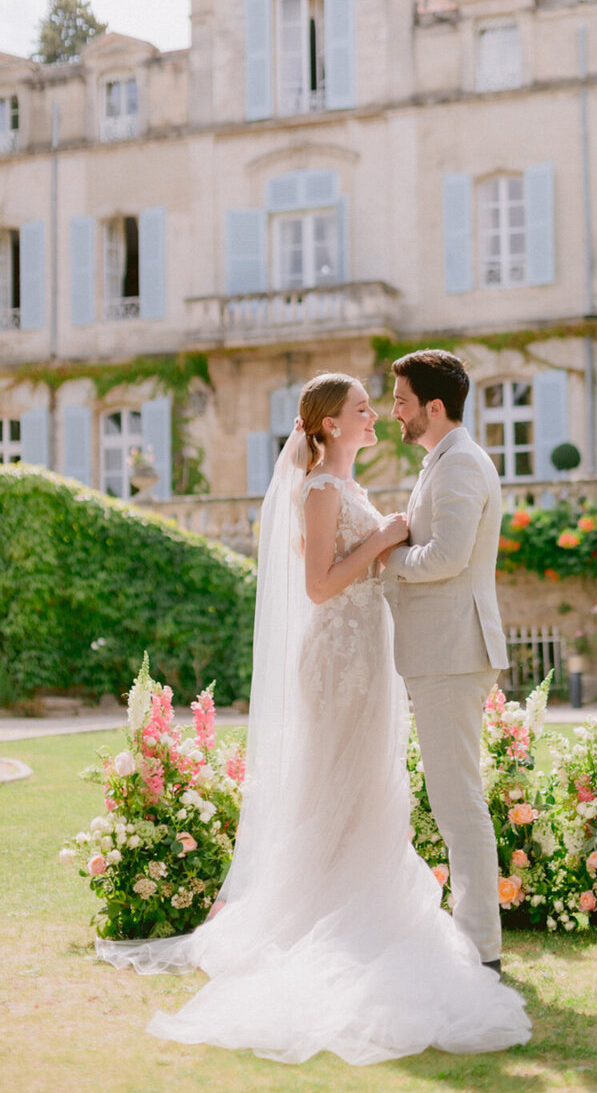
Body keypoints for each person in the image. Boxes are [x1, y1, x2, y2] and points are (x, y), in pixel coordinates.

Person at [95, 372, 531, 1064]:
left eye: (385, 403)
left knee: (366, 786)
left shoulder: (355, 487)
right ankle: (324, 912)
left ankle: (358, 901)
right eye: (364, 408)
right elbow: (321, 584)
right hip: (338, 658)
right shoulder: (323, 489)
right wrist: (385, 543)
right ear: (329, 426)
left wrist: (386, 541)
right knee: (336, 782)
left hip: (370, 653)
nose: (378, 414)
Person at [382, 350, 508, 973]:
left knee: (459, 804)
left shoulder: (459, 463)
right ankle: (476, 941)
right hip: (445, 650)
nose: (393, 412)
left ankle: (482, 950)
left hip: (453, 652)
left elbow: (446, 556)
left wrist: (387, 559)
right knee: (455, 800)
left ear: (434, 406)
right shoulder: (446, 460)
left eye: (401, 401)